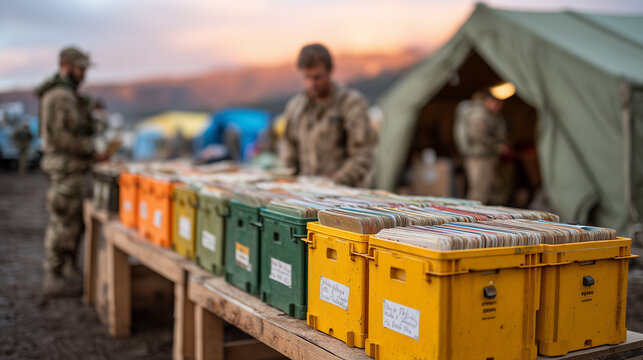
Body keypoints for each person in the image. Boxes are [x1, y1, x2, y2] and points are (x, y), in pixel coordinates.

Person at [35, 46, 103, 296]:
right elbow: (61, 137)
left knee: (74, 224)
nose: (84, 73)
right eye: (80, 68)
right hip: (66, 169)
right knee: (63, 222)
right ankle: (53, 276)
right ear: (66, 64)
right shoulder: (59, 96)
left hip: (73, 168)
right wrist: (92, 149)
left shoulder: (70, 95)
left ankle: (67, 271)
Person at [279, 43, 378, 187]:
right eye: (307, 77)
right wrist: (291, 182)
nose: (312, 83)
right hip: (306, 192)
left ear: (331, 71)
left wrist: (334, 182)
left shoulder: (351, 104)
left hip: (345, 194)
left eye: (317, 77)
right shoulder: (295, 107)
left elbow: (363, 153)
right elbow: (289, 149)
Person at [454, 89, 509, 204]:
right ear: (489, 101)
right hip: (479, 157)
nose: (499, 107)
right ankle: (471, 219)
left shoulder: (489, 114)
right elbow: (477, 135)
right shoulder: (479, 114)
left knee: (491, 190)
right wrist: (497, 146)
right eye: (497, 103)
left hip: (486, 156)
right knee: (478, 192)